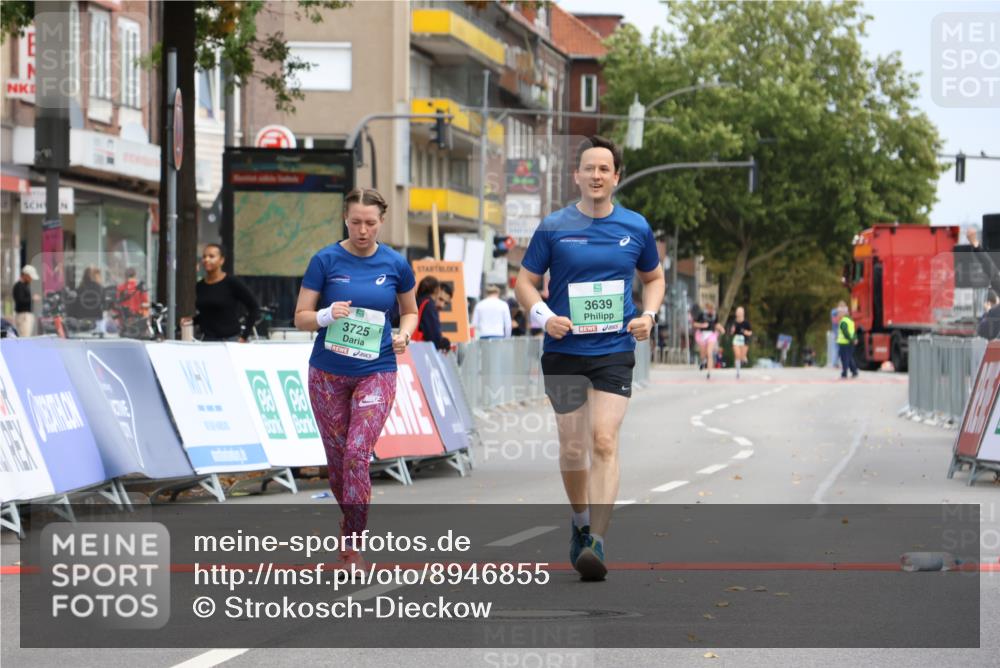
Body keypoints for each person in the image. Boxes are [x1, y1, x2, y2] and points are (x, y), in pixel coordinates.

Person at [515, 135, 665, 581]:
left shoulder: (635, 227)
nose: (596, 176)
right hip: (563, 351)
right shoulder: (554, 226)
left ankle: (596, 539)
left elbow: (653, 278)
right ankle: (580, 523)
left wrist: (649, 315)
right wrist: (544, 316)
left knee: (603, 440)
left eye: (605, 169)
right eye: (589, 168)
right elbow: (525, 282)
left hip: (614, 350)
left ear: (616, 177)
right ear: (576, 175)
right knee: (573, 446)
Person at [294, 188, 417, 568]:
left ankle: (351, 545)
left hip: (375, 370)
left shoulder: (396, 264)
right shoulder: (325, 260)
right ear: (345, 219)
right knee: (337, 464)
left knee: (355, 456)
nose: (363, 230)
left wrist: (404, 335)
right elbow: (301, 316)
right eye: (355, 222)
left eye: (370, 223)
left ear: (382, 222)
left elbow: (409, 312)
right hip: (327, 373)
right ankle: (350, 519)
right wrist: (327, 315)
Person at [181, 243, 259, 342]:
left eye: (211, 256)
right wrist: (192, 320)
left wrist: (244, 336)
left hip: (230, 340)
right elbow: (208, 313)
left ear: (222, 260)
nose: (206, 259)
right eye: (204, 256)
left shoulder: (232, 282)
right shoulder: (200, 286)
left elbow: (254, 307)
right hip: (207, 340)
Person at [412, 276, 451, 352]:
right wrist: (443, 342)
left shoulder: (415, 302)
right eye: (440, 299)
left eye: (446, 303)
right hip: (419, 352)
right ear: (436, 291)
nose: (442, 305)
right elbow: (434, 338)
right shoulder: (428, 305)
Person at [693, 301, 724, 379]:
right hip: (702, 334)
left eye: (712, 309)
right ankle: (703, 361)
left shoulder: (715, 315)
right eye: (710, 309)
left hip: (711, 334)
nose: (711, 310)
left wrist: (721, 328)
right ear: (707, 308)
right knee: (703, 354)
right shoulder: (701, 315)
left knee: (709, 353)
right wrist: (702, 325)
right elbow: (694, 324)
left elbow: (716, 324)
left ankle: (709, 372)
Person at [13, 265, 38, 337]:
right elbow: (20, 300)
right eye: (30, 277)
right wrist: (32, 298)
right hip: (23, 316)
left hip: (26, 315)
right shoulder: (19, 286)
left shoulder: (25, 285)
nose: (31, 279)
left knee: (26, 337)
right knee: (24, 338)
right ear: (25, 275)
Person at [836, 303, 859, 379]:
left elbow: (846, 333)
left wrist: (851, 339)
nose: (838, 314)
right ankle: (854, 371)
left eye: (839, 313)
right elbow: (853, 331)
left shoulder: (843, 322)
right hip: (850, 343)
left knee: (844, 358)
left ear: (843, 313)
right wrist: (854, 339)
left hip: (844, 343)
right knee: (849, 358)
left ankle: (844, 373)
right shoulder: (850, 320)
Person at [729, 306, 752, 379]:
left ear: (743, 313)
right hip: (736, 339)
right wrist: (732, 330)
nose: (738, 313)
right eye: (737, 312)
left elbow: (750, 332)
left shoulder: (746, 323)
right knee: (737, 355)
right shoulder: (734, 322)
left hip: (744, 340)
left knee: (742, 357)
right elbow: (731, 332)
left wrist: (745, 332)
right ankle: (738, 372)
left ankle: (744, 358)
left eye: (740, 312)